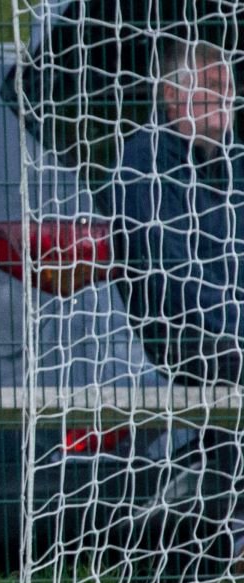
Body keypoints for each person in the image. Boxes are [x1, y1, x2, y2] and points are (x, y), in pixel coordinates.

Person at [113, 40, 244, 384]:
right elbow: (171, 274)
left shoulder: (234, 163)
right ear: (173, 94)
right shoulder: (146, 162)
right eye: (214, 86)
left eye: (229, 87)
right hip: (182, 347)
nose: (226, 97)